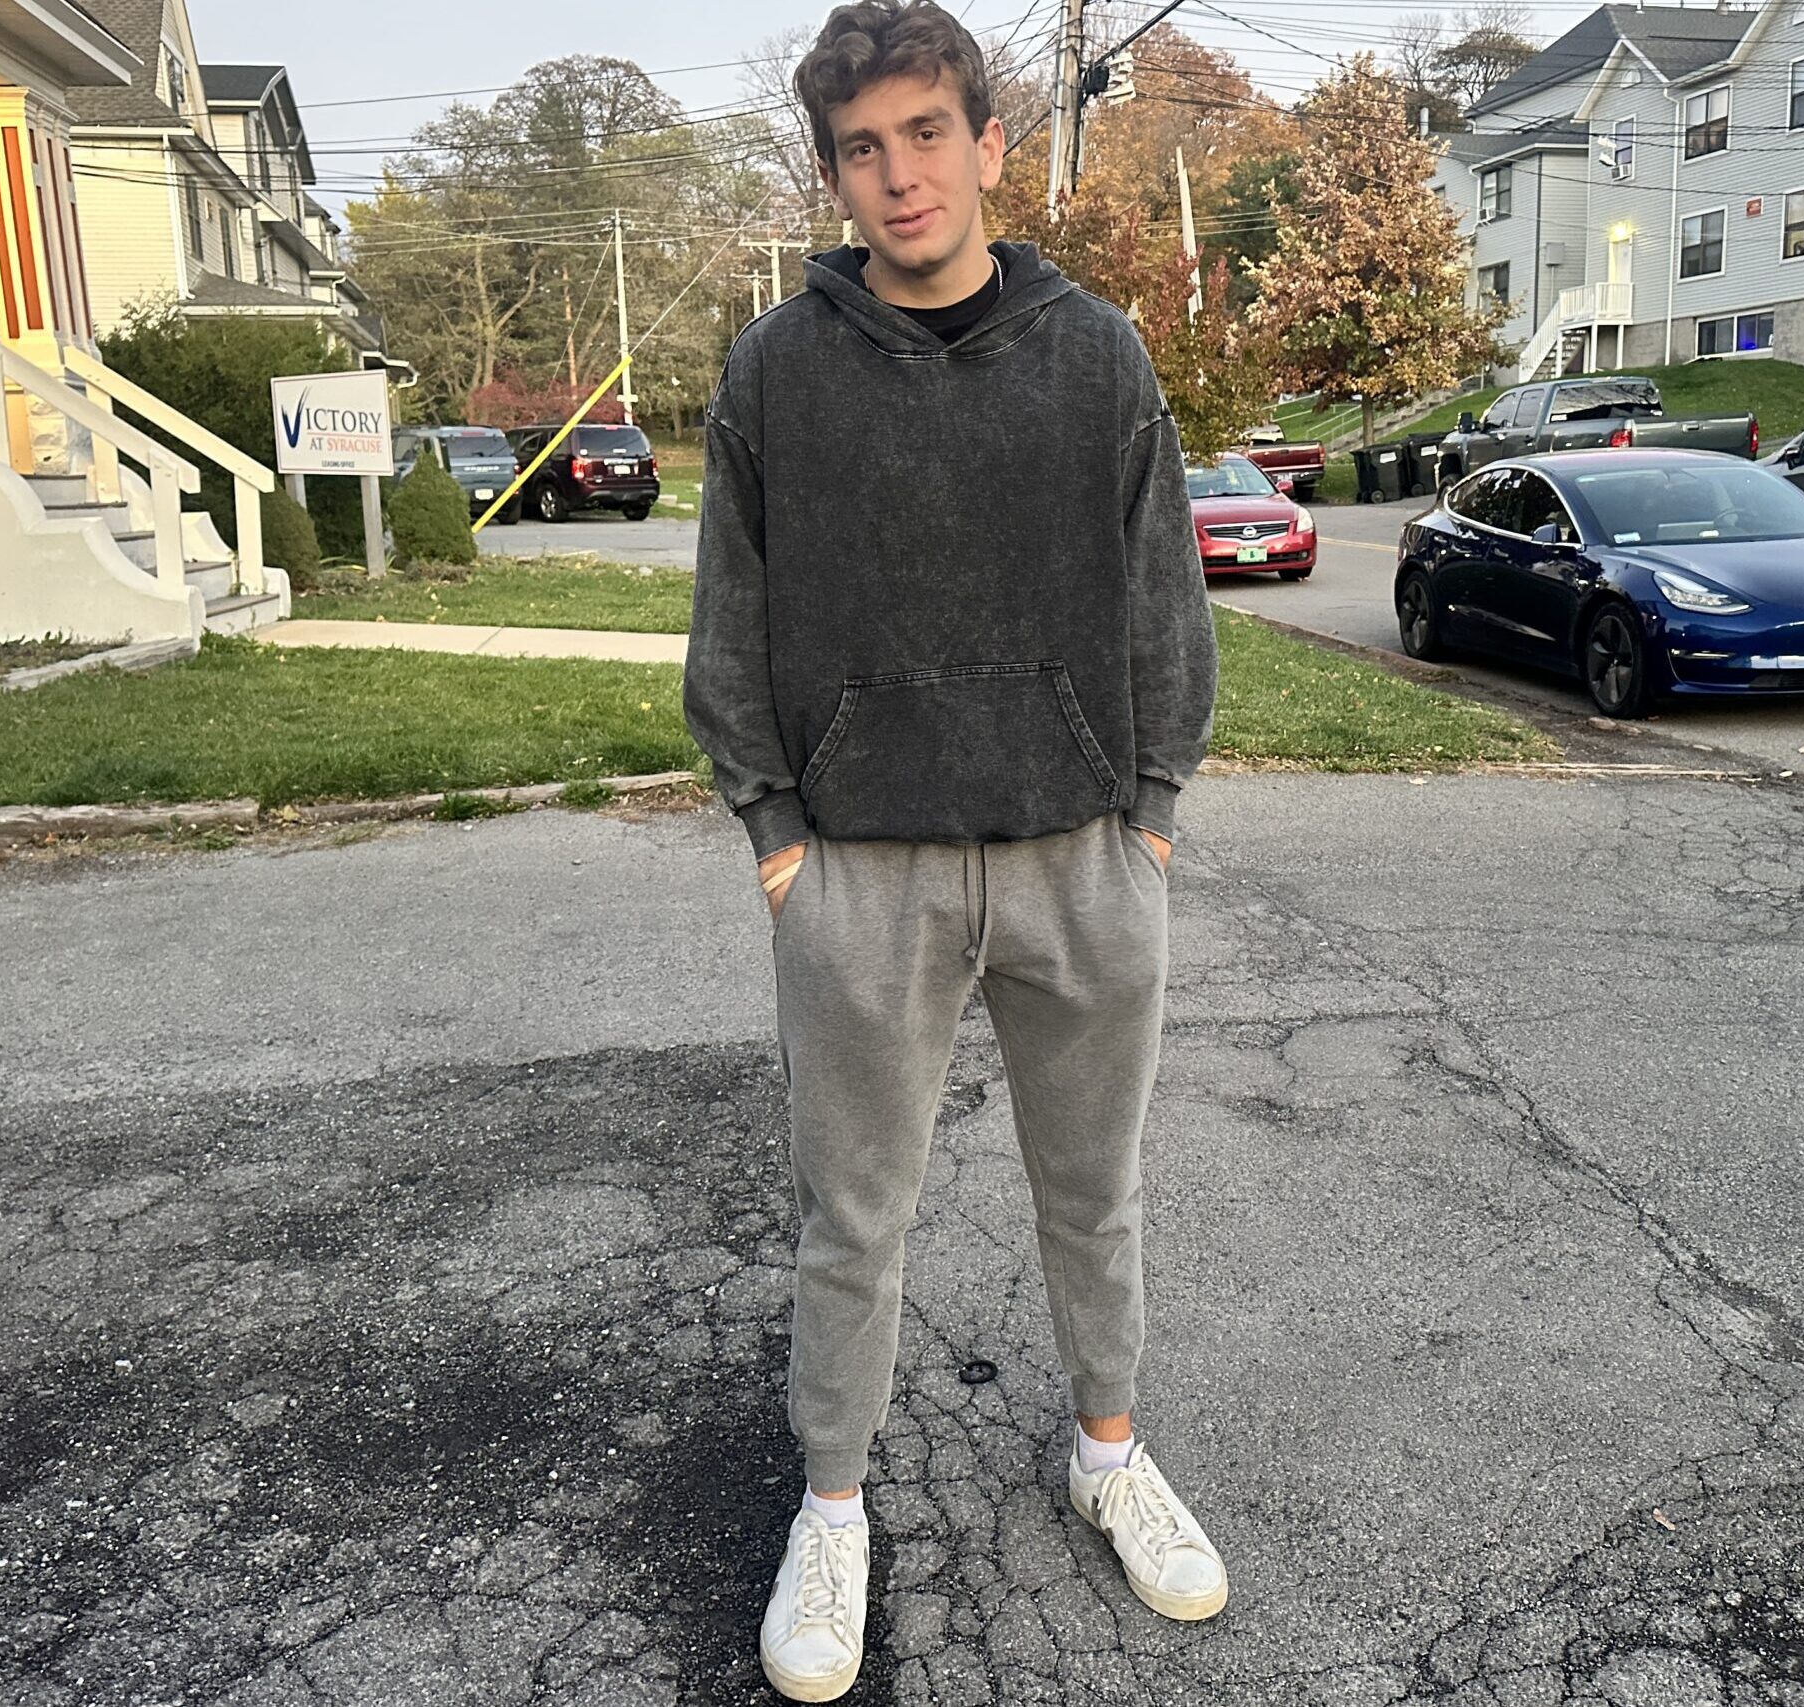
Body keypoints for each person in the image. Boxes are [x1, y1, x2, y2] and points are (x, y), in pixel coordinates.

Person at [679, 2, 1226, 1697]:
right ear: (834, 172)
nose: (898, 175)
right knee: (853, 1218)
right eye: (862, 147)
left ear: (991, 147)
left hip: (1082, 854)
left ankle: (1109, 1456)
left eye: (928, 135)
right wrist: (779, 839)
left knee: (1096, 1195)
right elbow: (733, 617)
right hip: (863, 874)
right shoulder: (777, 367)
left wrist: (1150, 818)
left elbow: (1163, 597)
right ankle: (833, 1509)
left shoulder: (1098, 352)